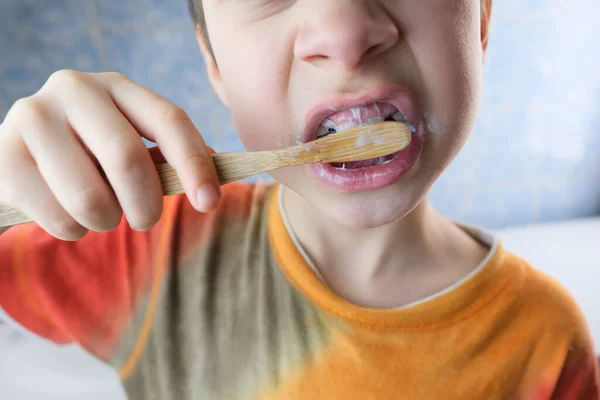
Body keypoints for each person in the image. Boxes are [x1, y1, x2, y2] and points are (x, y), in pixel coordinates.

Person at [0, 0, 598, 398]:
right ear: (215, 65)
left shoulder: (545, 342)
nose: (344, 32)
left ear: (482, 22)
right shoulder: (142, 249)